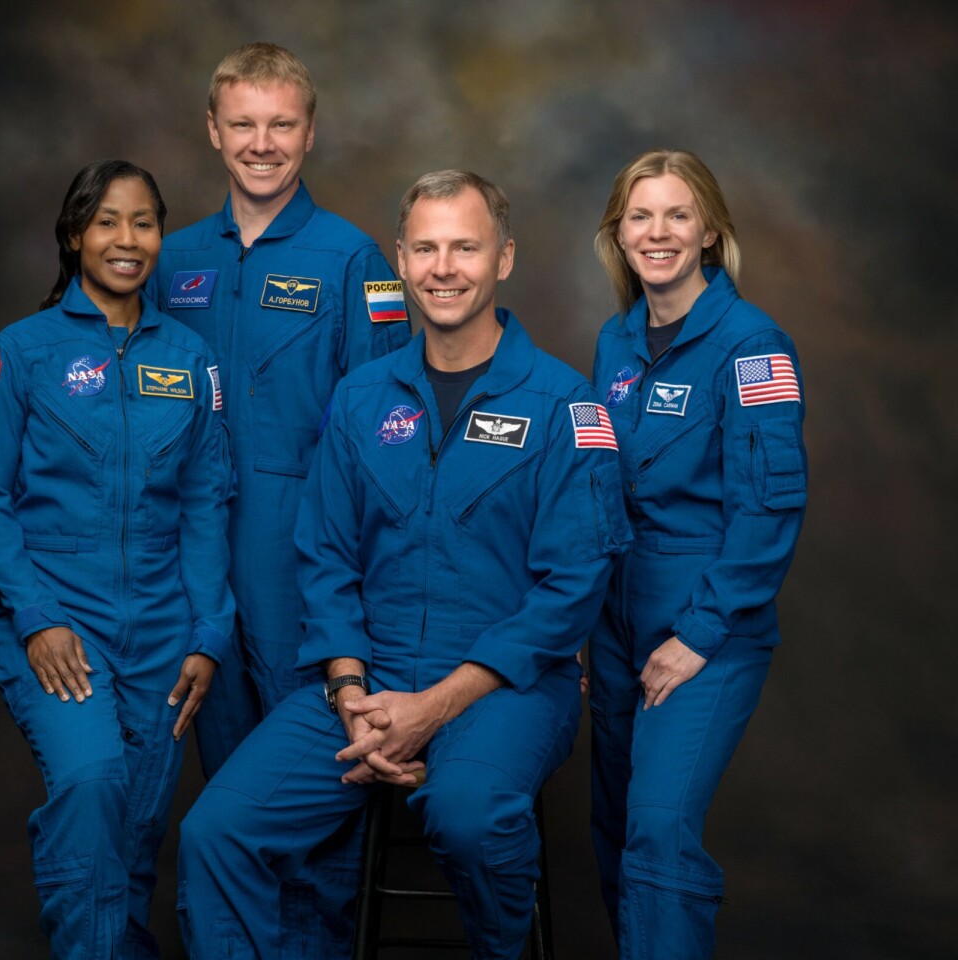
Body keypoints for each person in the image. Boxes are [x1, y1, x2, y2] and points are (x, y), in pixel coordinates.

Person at [177, 170, 630, 960]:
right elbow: (324, 556)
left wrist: (438, 705)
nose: (444, 267)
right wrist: (350, 691)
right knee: (217, 832)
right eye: (425, 247)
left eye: (465, 246)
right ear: (401, 257)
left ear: (505, 258)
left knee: (467, 811)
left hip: (507, 685)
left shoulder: (565, 405)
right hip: (370, 678)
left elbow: (572, 587)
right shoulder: (359, 399)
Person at [0, 160, 234, 959]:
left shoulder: (190, 360)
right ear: (75, 234)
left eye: (144, 222)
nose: (126, 239)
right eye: (107, 221)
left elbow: (207, 503)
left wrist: (208, 633)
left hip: (163, 628)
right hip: (56, 618)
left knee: (140, 824)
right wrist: (36, 619)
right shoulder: (20, 353)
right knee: (90, 786)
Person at [145, 42, 413, 778]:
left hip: (301, 555)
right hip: (190, 555)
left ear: (310, 133)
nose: (262, 145)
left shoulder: (355, 262)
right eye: (242, 125)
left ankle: (313, 902)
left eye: (282, 126)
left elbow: (388, 433)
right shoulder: (171, 261)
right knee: (219, 761)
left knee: (310, 769)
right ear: (213, 130)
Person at [587, 149, 808, 958]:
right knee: (612, 830)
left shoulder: (753, 346)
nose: (659, 232)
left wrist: (698, 634)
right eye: (640, 215)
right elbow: (597, 486)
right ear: (619, 233)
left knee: (657, 828)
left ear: (709, 231)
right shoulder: (615, 342)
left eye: (678, 214)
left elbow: (769, 507)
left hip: (706, 621)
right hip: (614, 620)